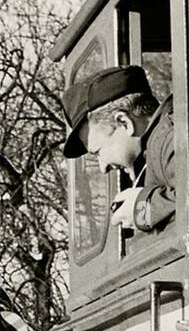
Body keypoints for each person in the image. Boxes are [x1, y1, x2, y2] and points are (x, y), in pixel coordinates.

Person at [61, 64, 176, 233]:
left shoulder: (172, 137)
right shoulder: (157, 149)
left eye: (98, 152)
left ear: (124, 122)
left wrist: (141, 210)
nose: (103, 168)